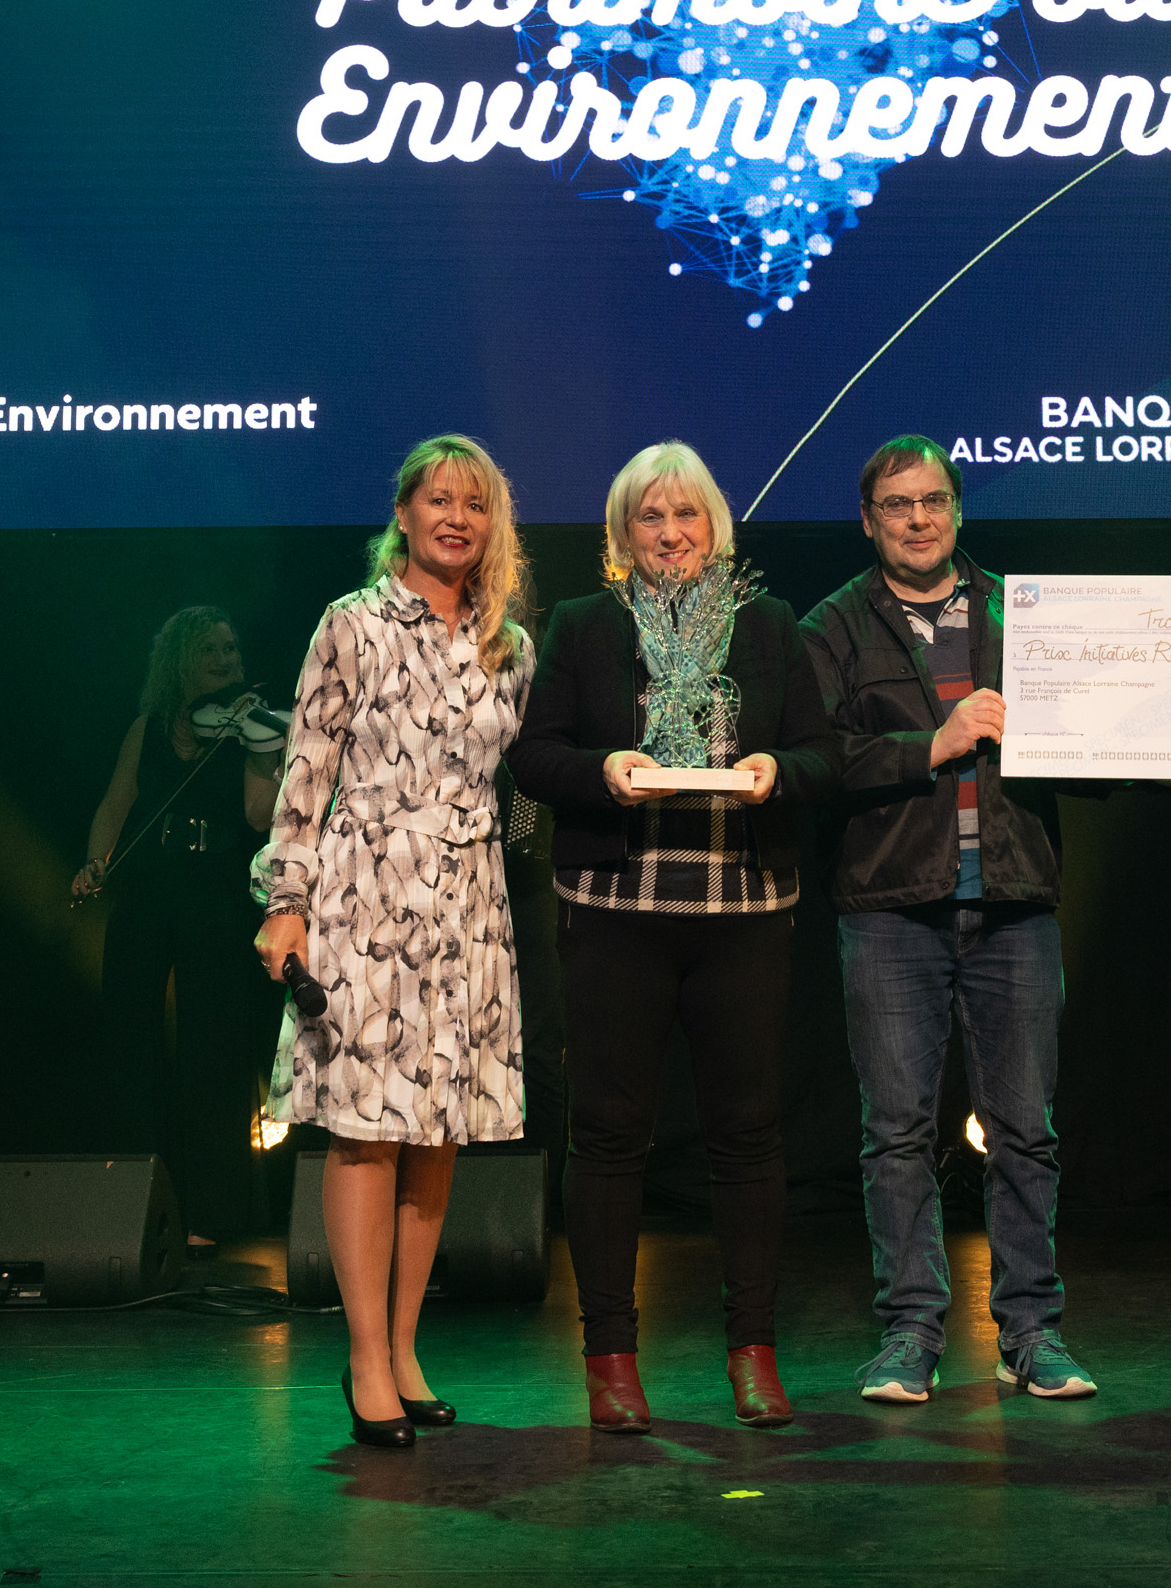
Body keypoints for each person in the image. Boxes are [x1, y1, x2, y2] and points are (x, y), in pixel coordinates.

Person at [505, 441, 839, 1435]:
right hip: (615, 911)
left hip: (743, 913)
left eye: (686, 514)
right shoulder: (583, 624)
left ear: (716, 529)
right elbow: (533, 758)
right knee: (609, 1136)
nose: (669, 533)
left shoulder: (770, 624)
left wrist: (779, 770)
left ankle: (753, 1353)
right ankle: (610, 1361)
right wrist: (602, 768)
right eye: (649, 517)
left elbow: (823, 754)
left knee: (748, 1134)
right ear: (621, 535)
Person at [798, 436, 1091, 1408]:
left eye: (933, 500)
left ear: (958, 509)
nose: (917, 519)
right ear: (868, 521)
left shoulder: (1025, 613)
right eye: (897, 505)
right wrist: (932, 743)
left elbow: (1098, 735)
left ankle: (1032, 1331)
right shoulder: (832, 626)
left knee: (1026, 1132)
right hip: (891, 908)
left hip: (1015, 902)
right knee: (896, 1134)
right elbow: (814, 760)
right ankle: (911, 1333)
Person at [253, 436, 532, 1448]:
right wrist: (286, 900)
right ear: (403, 514)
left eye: (476, 504)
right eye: (438, 500)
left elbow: (513, 783)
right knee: (367, 1129)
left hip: (469, 903)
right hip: (366, 895)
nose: (457, 518)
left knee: (437, 1131)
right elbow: (306, 771)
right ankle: (365, 1356)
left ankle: (405, 1347)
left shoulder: (509, 646)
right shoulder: (352, 623)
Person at [73, 606, 282, 1252]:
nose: (226, 659)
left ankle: (210, 1213)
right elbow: (116, 803)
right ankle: (128, 1203)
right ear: (180, 659)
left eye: (231, 648)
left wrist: (270, 754)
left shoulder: (249, 728)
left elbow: (257, 818)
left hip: (215, 889)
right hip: (149, 884)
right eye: (211, 649)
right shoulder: (149, 727)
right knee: (129, 1039)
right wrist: (95, 862)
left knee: (213, 1046)